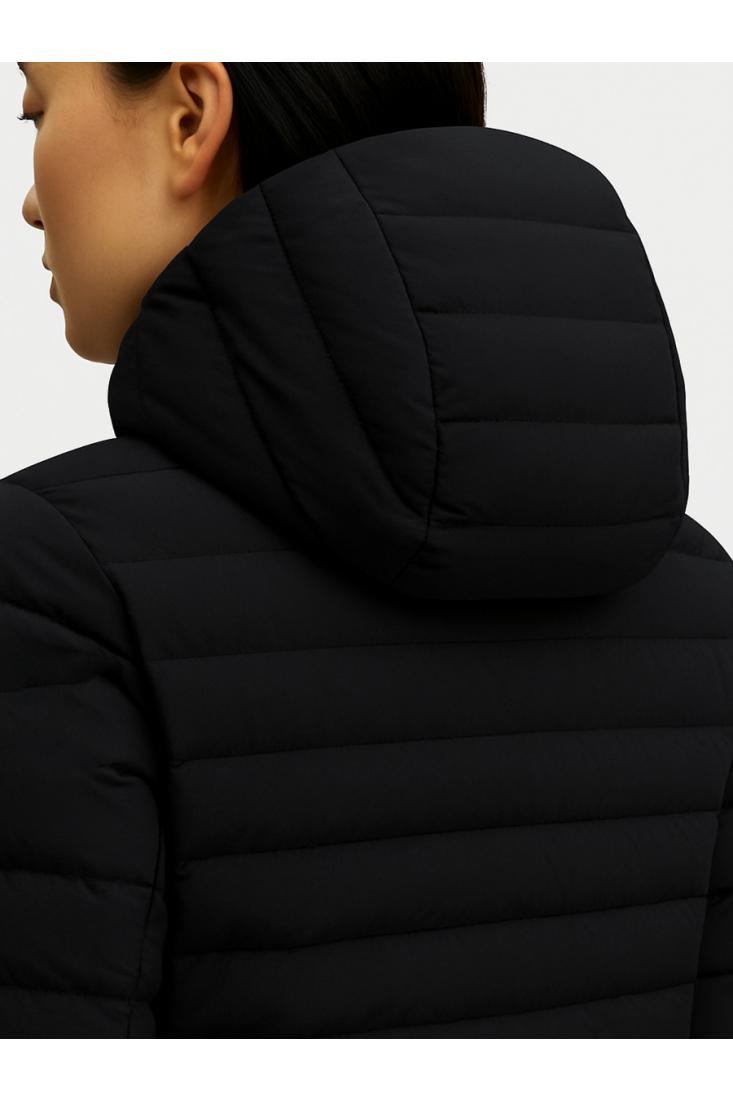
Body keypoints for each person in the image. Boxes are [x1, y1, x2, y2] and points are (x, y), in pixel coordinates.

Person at [1, 62, 731, 1040]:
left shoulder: (50, 581)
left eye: (38, 111)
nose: (29, 202)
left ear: (190, 114)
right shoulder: (701, 600)